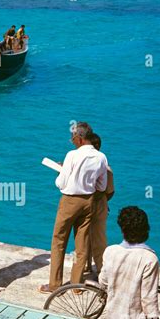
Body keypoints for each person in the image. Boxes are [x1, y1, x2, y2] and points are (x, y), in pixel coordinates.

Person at [39, 122, 108, 294]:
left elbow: (60, 183)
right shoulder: (101, 157)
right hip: (89, 201)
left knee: (59, 241)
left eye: (73, 138)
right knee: (82, 243)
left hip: (70, 201)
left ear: (80, 137)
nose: (72, 141)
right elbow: (102, 185)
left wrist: (61, 172)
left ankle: (55, 284)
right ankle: (77, 285)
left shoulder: (72, 155)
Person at [86, 132, 115, 275]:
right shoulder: (106, 167)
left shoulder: (80, 162)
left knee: (83, 238)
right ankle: (101, 269)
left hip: (82, 205)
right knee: (99, 239)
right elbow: (110, 191)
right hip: (100, 204)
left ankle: (86, 267)